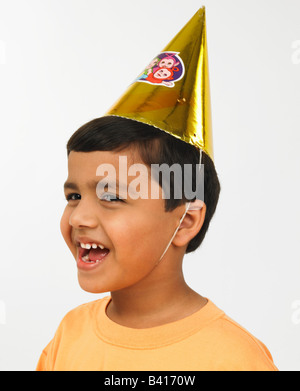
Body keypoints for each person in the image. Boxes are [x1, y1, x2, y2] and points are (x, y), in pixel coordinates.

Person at [36, 7, 278, 371]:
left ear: (184, 222)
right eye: (74, 197)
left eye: (112, 197)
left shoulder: (234, 358)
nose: (80, 217)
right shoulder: (70, 335)